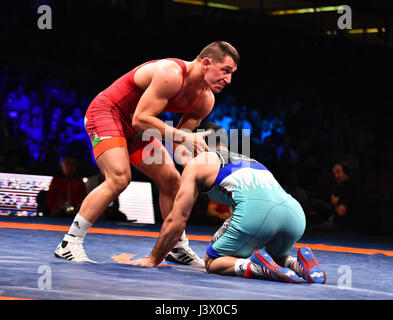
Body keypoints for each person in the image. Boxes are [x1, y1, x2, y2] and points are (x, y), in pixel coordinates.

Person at [54, 41, 239, 265]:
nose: (228, 80)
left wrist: (201, 167)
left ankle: (176, 247)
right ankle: (69, 243)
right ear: (207, 63)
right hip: (107, 112)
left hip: (137, 126)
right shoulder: (170, 73)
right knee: (119, 178)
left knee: (173, 180)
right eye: (225, 71)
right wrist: (185, 138)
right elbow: (141, 119)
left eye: (231, 74)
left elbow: (178, 141)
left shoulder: (205, 100)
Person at [130, 122, 326, 284]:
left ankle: (255, 267)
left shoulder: (199, 163)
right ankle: (296, 264)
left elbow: (177, 219)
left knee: (213, 261)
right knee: (277, 257)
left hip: (256, 214)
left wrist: (153, 258)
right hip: (294, 215)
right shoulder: (251, 159)